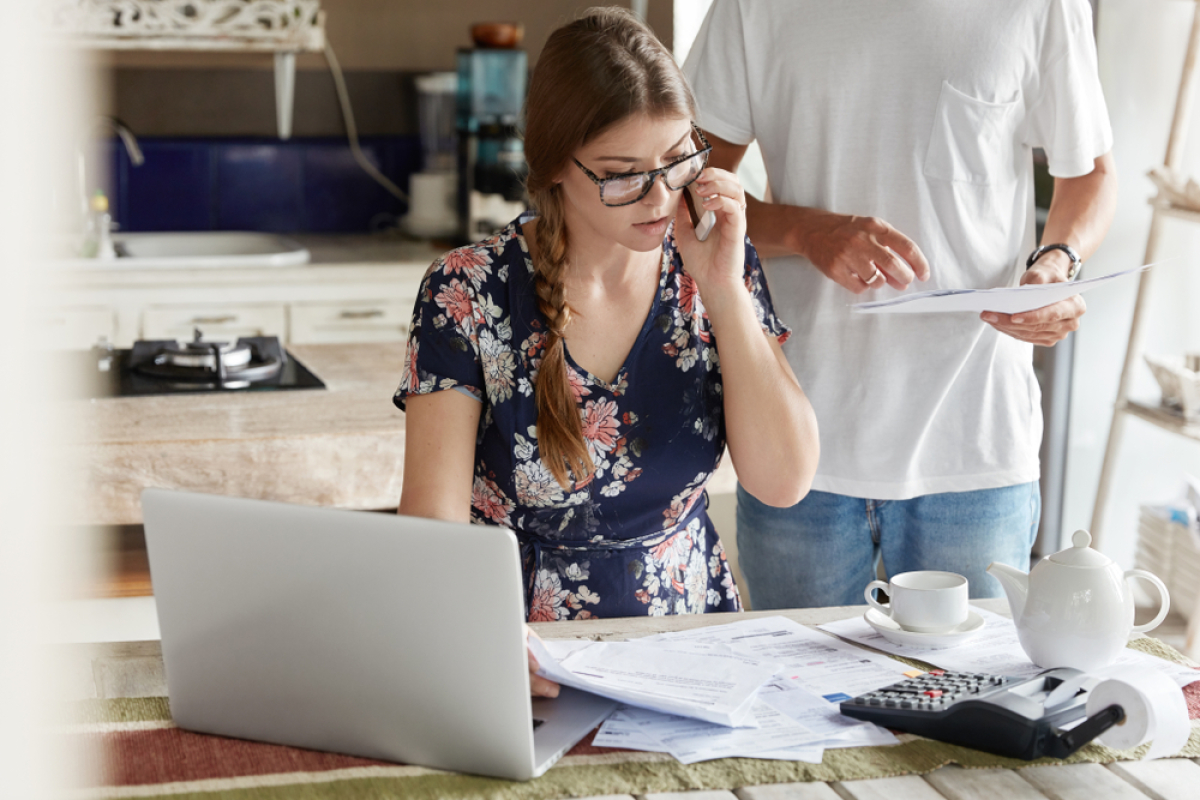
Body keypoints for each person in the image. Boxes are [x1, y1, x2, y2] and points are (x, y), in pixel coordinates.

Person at [683, 0, 1118, 608]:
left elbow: (1091, 173)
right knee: (793, 694)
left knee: (969, 695)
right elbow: (688, 188)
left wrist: (1057, 263)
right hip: (799, 440)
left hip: (975, 445)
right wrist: (808, 230)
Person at [395, 8, 817, 632]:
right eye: (622, 176)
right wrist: (483, 647)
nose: (659, 196)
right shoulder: (466, 290)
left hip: (688, 644)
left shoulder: (717, 264)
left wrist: (725, 290)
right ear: (554, 166)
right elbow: (432, 526)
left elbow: (784, 482)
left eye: (677, 159)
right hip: (524, 650)